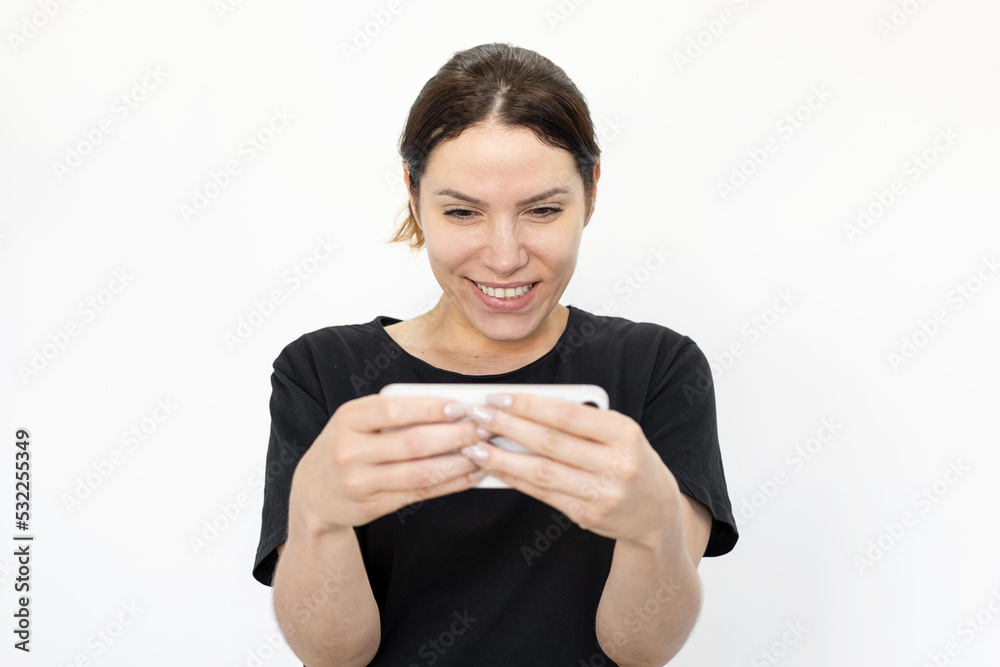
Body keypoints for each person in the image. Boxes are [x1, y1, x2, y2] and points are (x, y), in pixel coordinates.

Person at [252, 42, 738, 667]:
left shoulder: (658, 368)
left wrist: (654, 527)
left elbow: (639, 647)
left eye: (543, 210)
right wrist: (316, 514)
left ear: (591, 191)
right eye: (462, 212)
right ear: (413, 195)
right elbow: (335, 655)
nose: (505, 257)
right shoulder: (321, 372)